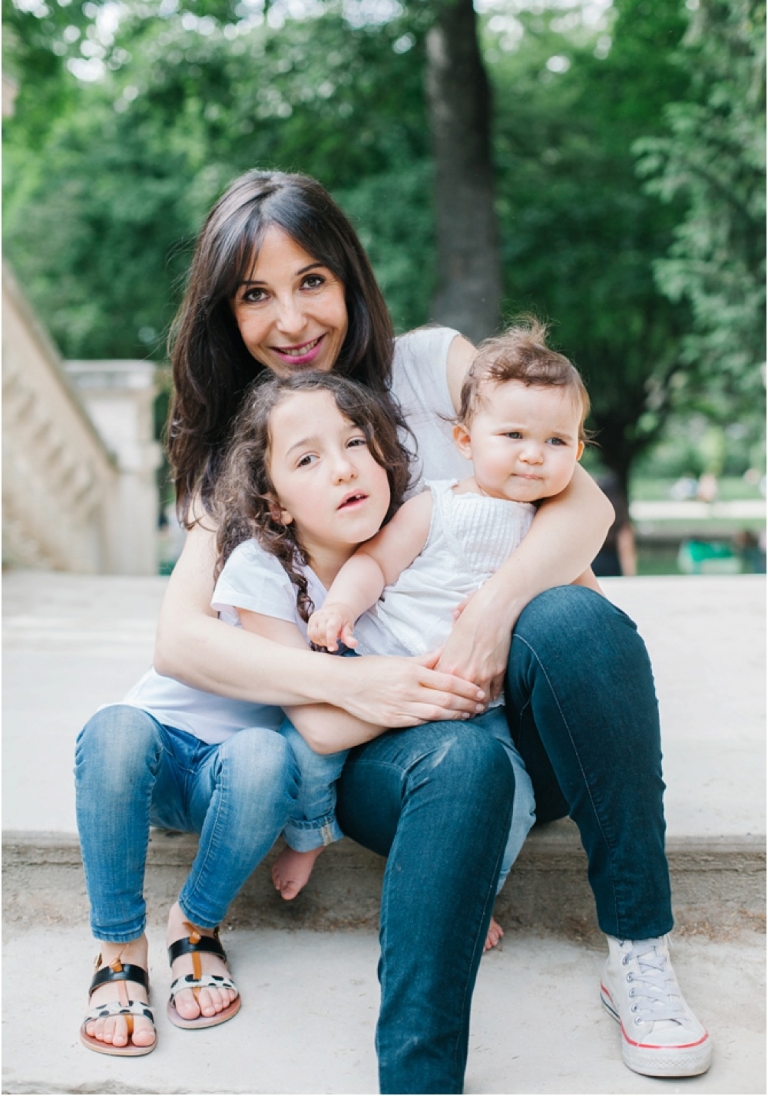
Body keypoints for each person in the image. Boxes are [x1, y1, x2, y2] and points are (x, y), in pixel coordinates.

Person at [137, 169, 705, 1089]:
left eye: (311, 280)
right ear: (225, 315)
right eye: (255, 295)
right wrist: (377, 684)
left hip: (515, 702)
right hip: (393, 755)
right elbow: (183, 640)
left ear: (351, 279)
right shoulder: (243, 447)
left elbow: (583, 508)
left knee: (576, 616)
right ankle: (418, 1076)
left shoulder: (433, 364)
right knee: (463, 758)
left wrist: (488, 614)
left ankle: (639, 950)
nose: (291, 320)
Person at [305, 326, 593, 944]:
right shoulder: (435, 503)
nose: (533, 455)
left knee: (509, 797)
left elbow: (587, 623)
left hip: (478, 709)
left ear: (578, 450)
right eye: (512, 436)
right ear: (464, 440)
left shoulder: (551, 533)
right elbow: (375, 563)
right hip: (389, 674)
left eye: (555, 441)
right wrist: (341, 607)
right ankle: (306, 836)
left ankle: (468, 889)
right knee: (307, 750)